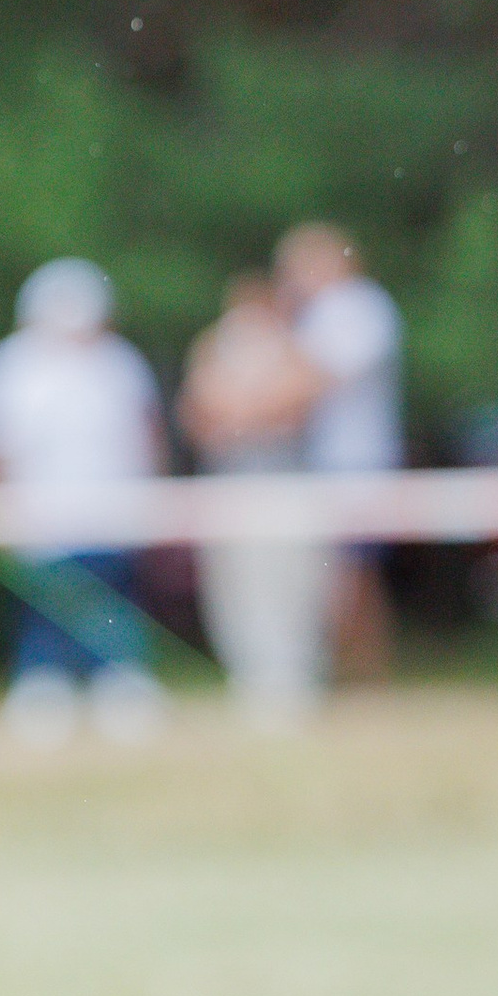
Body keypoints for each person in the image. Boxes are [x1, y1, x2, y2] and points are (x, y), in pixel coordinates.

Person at [0, 259, 167, 743]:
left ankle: (120, 684)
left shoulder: (118, 363)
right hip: (41, 517)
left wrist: (153, 500)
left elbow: (147, 435)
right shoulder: (11, 365)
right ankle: (42, 687)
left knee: (112, 601)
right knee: (47, 606)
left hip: (111, 515)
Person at [177, 271, 331, 720]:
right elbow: (197, 411)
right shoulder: (212, 348)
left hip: (286, 483)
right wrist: (251, 413)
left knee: (293, 581)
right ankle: (249, 676)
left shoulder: (295, 349)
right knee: (233, 583)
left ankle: (296, 677)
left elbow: (301, 399)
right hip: (229, 483)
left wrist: (242, 413)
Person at [278, 221, 405, 679]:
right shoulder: (327, 312)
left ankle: (360, 676)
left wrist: (247, 405)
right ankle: (356, 676)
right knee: (348, 573)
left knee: (351, 574)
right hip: (335, 462)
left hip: (356, 462)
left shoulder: (357, 306)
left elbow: (316, 380)